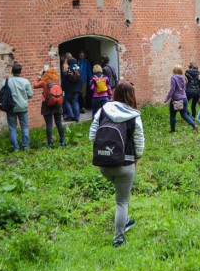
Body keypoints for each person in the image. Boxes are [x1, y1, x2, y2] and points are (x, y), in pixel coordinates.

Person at [89, 81, 144, 247]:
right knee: (122, 202)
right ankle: (119, 238)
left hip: (104, 164)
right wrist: (137, 158)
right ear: (132, 96)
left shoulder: (103, 110)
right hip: (125, 165)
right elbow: (139, 142)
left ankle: (124, 220)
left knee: (121, 193)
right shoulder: (134, 116)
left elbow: (92, 135)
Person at [2, 63, 33, 151]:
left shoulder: (5, 81)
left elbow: (3, 94)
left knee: (12, 127)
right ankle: (26, 146)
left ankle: (15, 147)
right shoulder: (25, 81)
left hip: (10, 107)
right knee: (24, 127)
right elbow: (30, 95)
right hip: (23, 107)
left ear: (12, 71)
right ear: (20, 71)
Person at [33, 66, 65, 148]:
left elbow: (35, 85)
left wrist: (39, 76)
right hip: (57, 103)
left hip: (46, 104)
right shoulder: (58, 81)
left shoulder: (44, 82)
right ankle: (62, 141)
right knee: (59, 123)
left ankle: (50, 143)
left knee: (49, 124)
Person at [164, 65, 197, 132]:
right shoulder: (183, 78)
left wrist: (167, 98)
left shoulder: (173, 77)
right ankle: (194, 125)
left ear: (174, 70)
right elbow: (184, 88)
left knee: (172, 115)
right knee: (184, 114)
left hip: (176, 99)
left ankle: (173, 130)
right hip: (184, 98)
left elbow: (172, 89)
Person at [62, 57, 82, 122]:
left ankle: (71, 115)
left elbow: (64, 80)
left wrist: (63, 89)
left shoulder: (68, 69)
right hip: (77, 88)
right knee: (75, 101)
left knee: (66, 101)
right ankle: (77, 117)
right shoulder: (78, 68)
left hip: (69, 89)